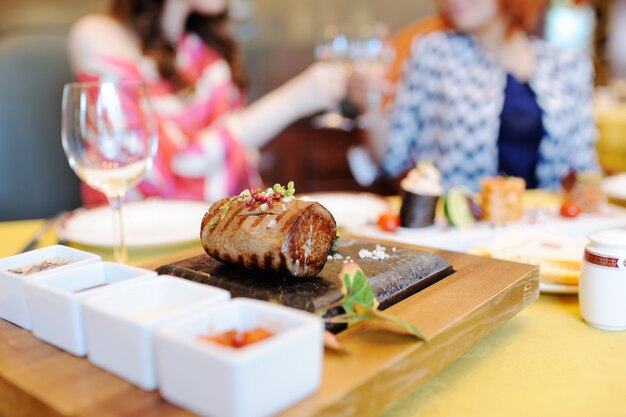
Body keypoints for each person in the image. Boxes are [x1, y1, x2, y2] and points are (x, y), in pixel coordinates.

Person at [68, 0, 346, 205]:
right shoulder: (99, 36)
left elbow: (237, 175)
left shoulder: (204, 53)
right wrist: (295, 100)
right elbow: (164, 176)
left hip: (208, 244)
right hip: (129, 247)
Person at [349, 0, 598, 192]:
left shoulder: (568, 66)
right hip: (460, 229)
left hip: (544, 230)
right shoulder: (433, 52)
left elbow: (585, 167)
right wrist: (369, 106)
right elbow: (390, 158)